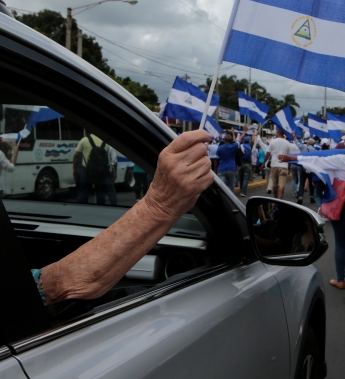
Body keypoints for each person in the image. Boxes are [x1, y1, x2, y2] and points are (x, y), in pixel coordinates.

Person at [34, 130, 214, 305]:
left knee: (86, 194)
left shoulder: (84, 141)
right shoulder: (107, 144)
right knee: (108, 195)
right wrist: (158, 206)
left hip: (89, 176)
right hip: (103, 176)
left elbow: (76, 157)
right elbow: (52, 287)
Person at [280, 127, 345, 302]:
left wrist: (292, 158)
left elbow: (316, 159)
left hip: (343, 210)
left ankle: (341, 280)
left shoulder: (343, 160)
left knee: (341, 245)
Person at [74, 134, 111, 205]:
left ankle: (81, 209)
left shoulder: (84, 140)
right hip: (101, 172)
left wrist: (74, 169)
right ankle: (101, 210)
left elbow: (77, 155)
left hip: (87, 171)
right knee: (100, 193)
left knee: (84, 192)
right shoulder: (105, 143)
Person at [263, 129, 292, 199]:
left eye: (276, 132)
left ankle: (276, 199)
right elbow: (289, 156)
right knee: (282, 184)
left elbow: (268, 154)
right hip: (283, 165)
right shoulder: (287, 143)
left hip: (274, 165)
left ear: (279, 133)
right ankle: (280, 199)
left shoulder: (273, 141)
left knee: (275, 184)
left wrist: (264, 163)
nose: (275, 134)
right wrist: (289, 167)